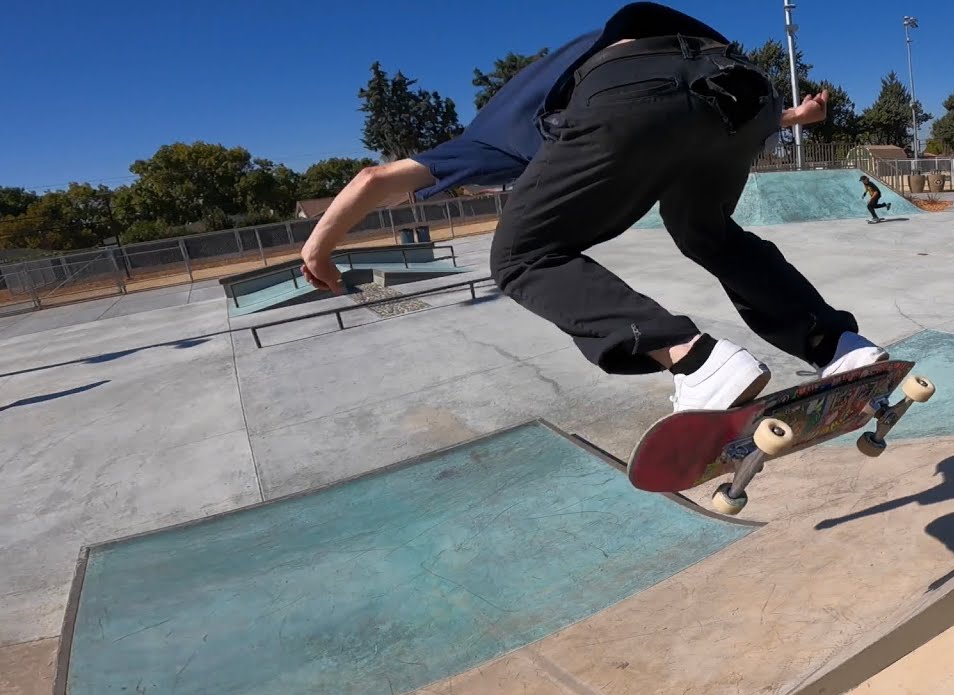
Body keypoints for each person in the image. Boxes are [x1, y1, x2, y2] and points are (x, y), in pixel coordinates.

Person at [298, 2, 888, 413]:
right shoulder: (549, 88)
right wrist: (793, 118)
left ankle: (696, 360)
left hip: (627, 94)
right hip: (740, 85)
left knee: (520, 255)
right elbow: (694, 98)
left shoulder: (485, 136)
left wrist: (319, 247)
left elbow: (375, 179)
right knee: (703, 229)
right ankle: (839, 348)